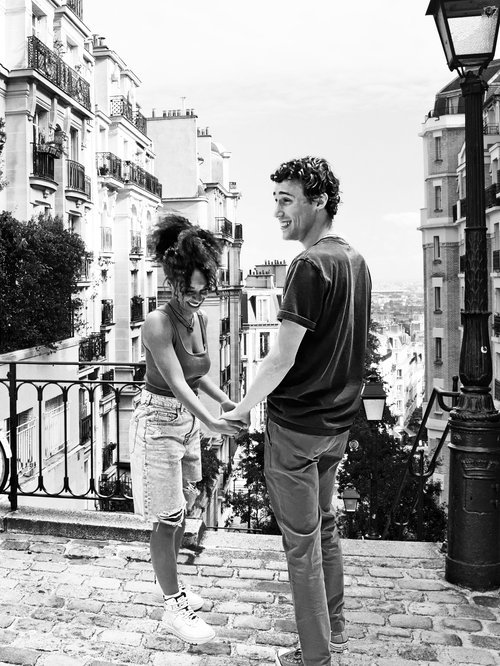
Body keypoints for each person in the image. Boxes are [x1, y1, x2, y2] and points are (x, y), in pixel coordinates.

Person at [224, 157, 371, 666]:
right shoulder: (355, 260)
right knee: (325, 525)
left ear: (319, 201)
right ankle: (335, 629)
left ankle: (316, 657)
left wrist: (242, 408)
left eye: (287, 200)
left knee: (301, 545)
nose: (278, 212)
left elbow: (281, 357)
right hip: (336, 425)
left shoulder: (309, 266)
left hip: (296, 429)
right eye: (276, 201)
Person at [129, 214, 244, 645]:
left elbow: (198, 374)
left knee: (183, 510)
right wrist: (213, 419)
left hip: (187, 421)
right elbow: (176, 381)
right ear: (172, 281)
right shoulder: (157, 323)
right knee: (167, 518)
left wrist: (224, 400)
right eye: (188, 291)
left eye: (202, 291)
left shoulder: (201, 320)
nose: (196, 299)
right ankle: (173, 606)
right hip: (158, 421)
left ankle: (172, 585)